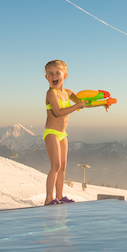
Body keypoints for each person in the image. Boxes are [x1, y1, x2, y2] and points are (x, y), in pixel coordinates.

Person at [43, 59, 88, 206]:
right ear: (46, 77)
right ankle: (49, 199)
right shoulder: (51, 93)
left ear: (65, 76)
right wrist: (77, 106)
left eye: (57, 73)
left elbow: (84, 103)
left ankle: (60, 196)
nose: (54, 76)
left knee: (63, 166)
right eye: (50, 74)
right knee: (55, 166)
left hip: (63, 133)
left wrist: (103, 103)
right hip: (51, 133)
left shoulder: (68, 93)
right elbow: (57, 113)